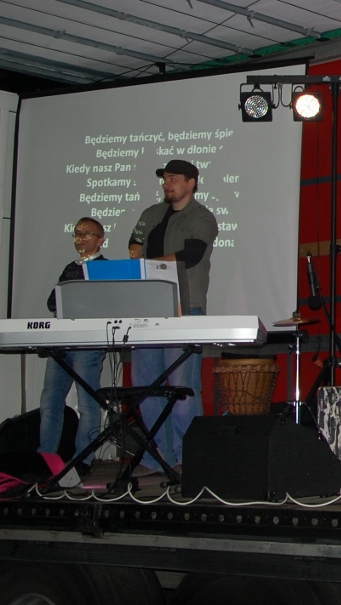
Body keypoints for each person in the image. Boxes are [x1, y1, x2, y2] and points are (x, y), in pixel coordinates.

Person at [128, 159, 219, 473]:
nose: (167, 184)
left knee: (182, 385)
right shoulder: (151, 213)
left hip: (184, 308)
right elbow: (135, 241)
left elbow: (190, 256)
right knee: (144, 385)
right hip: (146, 309)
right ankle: (159, 455)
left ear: (191, 183)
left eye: (174, 178)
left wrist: (148, 265)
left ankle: (189, 456)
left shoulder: (201, 216)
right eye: (165, 179)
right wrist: (136, 254)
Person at [39, 217, 108, 462]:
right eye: (77, 233)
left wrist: (75, 300)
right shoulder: (71, 267)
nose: (80, 237)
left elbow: (102, 304)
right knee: (50, 401)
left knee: (87, 402)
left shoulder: (105, 268)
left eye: (87, 233)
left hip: (87, 343)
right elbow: (52, 302)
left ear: (100, 241)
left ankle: (83, 459)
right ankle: (46, 457)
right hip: (62, 341)